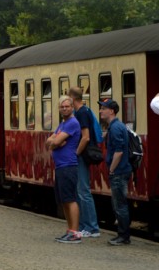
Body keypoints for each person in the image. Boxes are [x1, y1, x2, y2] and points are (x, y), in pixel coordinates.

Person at [46, 96, 82, 243]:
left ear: (72, 107)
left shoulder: (72, 123)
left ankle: (75, 233)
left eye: (67, 106)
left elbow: (55, 141)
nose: (64, 108)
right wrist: (54, 143)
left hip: (68, 166)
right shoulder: (63, 124)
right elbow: (49, 141)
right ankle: (70, 230)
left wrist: (55, 142)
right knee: (64, 201)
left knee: (70, 199)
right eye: (62, 107)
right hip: (61, 166)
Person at [68, 87, 102, 238]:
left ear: (72, 98)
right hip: (83, 155)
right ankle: (84, 225)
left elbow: (86, 137)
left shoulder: (81, 113)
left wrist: (76, 153)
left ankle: (92, 227)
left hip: (82, 156)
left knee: (83, 191)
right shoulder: (86, 110)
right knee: (81, 191)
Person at [99, 99, 132, 245]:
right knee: (119, 204)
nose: (100, 111)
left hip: (119, 172)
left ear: (111, 111)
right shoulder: (116, 126)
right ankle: (123, 235)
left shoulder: (116, 128)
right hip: (121, 170)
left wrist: (111, 169)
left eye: (103, 108)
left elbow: (118, 152)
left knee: (120, 205)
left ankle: (123, 236)